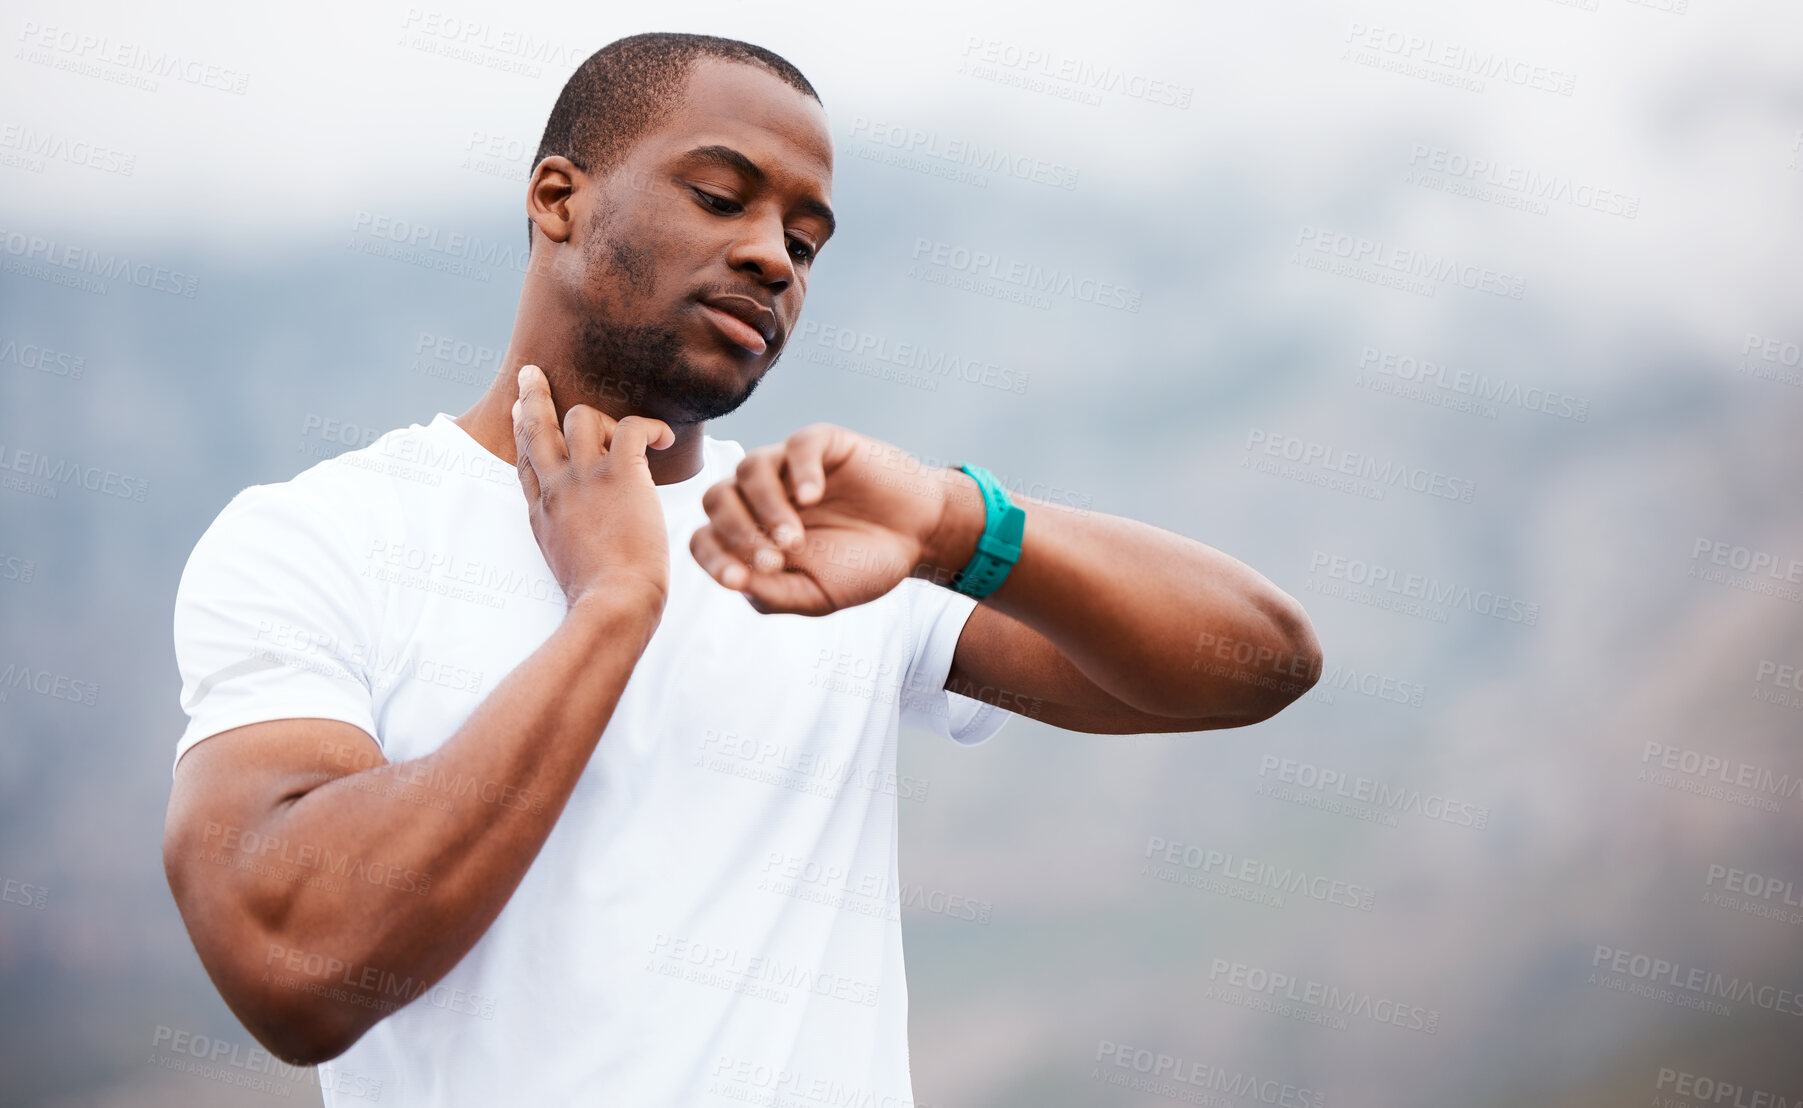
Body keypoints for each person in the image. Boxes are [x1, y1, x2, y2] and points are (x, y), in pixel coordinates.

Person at [163, 32, 1323, 1107]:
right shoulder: (321, 538)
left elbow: (1262, 662)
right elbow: (293, 967)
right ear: (558, 200)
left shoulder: (822, 540)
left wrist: (955, 524)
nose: (772, 256)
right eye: (721, 198)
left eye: (807, 241)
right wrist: (613, 607)